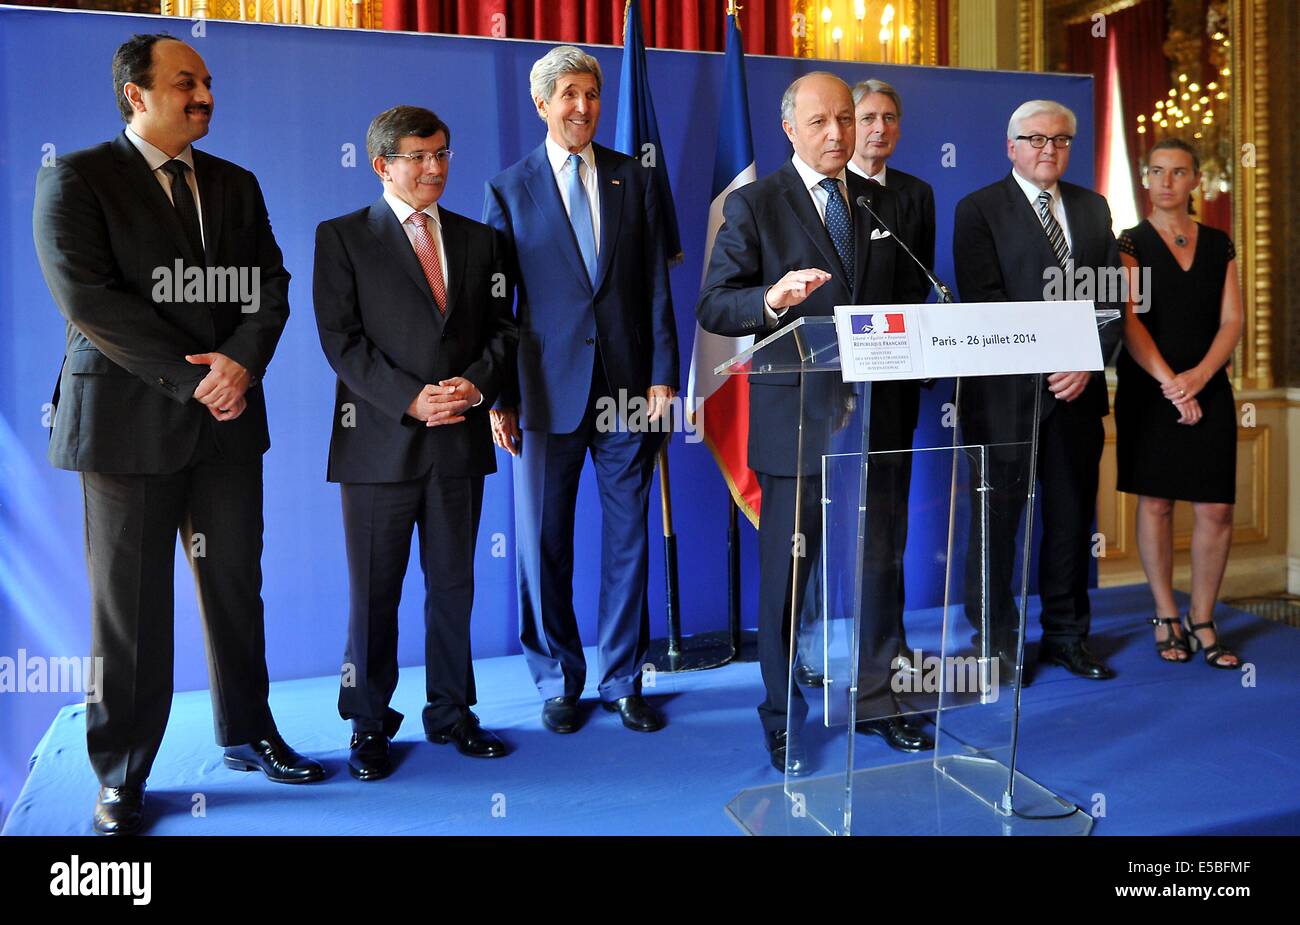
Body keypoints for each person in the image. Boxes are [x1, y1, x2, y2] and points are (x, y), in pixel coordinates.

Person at [32, 33, 322, 836]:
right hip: (125, 428)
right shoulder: (77, 176)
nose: (204, 95)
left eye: (207, 82)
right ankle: (121, 773)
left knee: (236, 585)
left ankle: (250, 732)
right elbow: (87, 298)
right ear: (137, 94)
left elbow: (271, 284)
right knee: (128, 609)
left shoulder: (236, 183)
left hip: (228, 421)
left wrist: (239, 364)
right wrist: (195, 374)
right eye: (185, 82)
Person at [697, 72, 931, 774]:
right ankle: (783, 717)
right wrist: (770, 299)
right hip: (796, 418)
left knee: (880, 560)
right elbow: (715, 305)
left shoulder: (886, 205)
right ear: (789, 130)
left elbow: (905, 301)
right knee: (790, 575)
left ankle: (881, 698)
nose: (839, 134)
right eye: (822, 122)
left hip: (878, 418)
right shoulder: (756, 205)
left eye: (846, 121)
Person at [313, 106, 518, 781]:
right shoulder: (341, 237)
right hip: (377, 444)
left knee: (453, 586)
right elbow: (341, 341)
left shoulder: (480, 239)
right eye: (419, 157)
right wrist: (410, 397)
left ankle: (453, 713)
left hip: (458, 442)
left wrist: (475, 385)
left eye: (443, 153)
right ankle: (368, 722)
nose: (435, 168)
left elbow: (502, 330)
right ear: (382, 165)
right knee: (374, 591)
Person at [482, 46, 679, 735]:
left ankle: (624, 677)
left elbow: (654, 283)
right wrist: (500, 398)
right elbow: (497, 305)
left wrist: (662, 374)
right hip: (541, 392)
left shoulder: (634, 177)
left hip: (628, 390)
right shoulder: (509, 187)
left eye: (591, 95)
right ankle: (558, 679)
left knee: (629, 539)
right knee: (544, 543)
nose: (582, 108)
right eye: (568, 95)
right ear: (542, 105)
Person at [952, 99, 1123, 681]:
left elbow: (1111, 304)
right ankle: (996, 643)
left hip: (1077, 398)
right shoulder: (977, 210)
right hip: (1004, 400)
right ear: (1011, 146)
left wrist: (1087, 361)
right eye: (1036, 139)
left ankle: (1069, 637)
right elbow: (986, 304)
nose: (1049, 149)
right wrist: (1057, 355)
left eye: (1061, 140)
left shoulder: (1094, 209)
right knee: (996, 525)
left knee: (1072, 521)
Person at [1115, 138, 1242, 668]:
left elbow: (1233, 321)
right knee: (1158, 501)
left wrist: (1199, 377)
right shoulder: (1129, 243)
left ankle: (1204, 617)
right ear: (1145, 179)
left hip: (1208, 384)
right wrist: (1172, 384)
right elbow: (1129, 321)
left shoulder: (1220, 243)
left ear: (1195, 181)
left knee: (1216, 507)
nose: (1167, 181)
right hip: (1150, 388)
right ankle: (1167, 615)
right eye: (1158, 171)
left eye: (1179, 172)